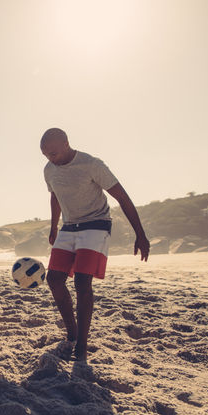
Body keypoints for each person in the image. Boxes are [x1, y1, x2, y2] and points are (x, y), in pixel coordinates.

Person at [40, 128, 150, 361]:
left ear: (67, 144)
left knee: (81, 282)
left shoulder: (91, 164)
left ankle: (82, 344)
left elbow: (122, 196)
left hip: (96, 224)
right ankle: (73, 333)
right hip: (69, 227)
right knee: (54, 280)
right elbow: (54, 196)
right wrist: (53, 227)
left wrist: (140, 234)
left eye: (54, 153)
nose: (51, 159)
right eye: (46, 155)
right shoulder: (49, 170)